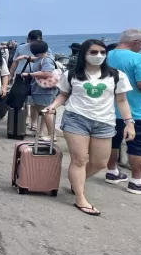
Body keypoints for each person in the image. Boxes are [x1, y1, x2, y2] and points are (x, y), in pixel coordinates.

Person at [43, 39, 134, 216]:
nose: (98, 55)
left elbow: (122, 101)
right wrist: (52, 106)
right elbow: (63, 95)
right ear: (84, 54)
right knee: (79, 160)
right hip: (76, 119)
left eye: (102, 52)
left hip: (105, 122)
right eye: (93, 52)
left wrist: (129, 123)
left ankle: (77, 180)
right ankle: (80, 197)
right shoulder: (71, 74)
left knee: (100, 163)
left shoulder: (116, 75)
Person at [105, 29, 141, 195]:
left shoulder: (107, 56)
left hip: (108, 110)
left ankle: (112, 172)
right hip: (135, 112)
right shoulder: (140, 59)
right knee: (138, 146)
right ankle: (137, 181)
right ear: (137, 42)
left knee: (112, 142)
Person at [24, 40, 58, 142]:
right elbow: (36, 60)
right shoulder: (41, 59)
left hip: (44, 90)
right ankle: (40, 132)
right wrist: (27, 58)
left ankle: (52, 135)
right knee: (42, 112)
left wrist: (29, 74)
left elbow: (47, 73)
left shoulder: (46, 60)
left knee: (47, 112)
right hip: (40, 89)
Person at [11, 30, 43, 130]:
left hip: (36, 77)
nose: (33, 43)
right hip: (21, 76)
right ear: (28, 39)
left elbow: (46, 61)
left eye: (36, 41)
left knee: (34, 101)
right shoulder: (21, 47)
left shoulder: (44, 48)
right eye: (31, 40)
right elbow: (15, 61)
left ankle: (34, 123)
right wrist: (11, 74)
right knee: (21, 99)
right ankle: (23, 119)